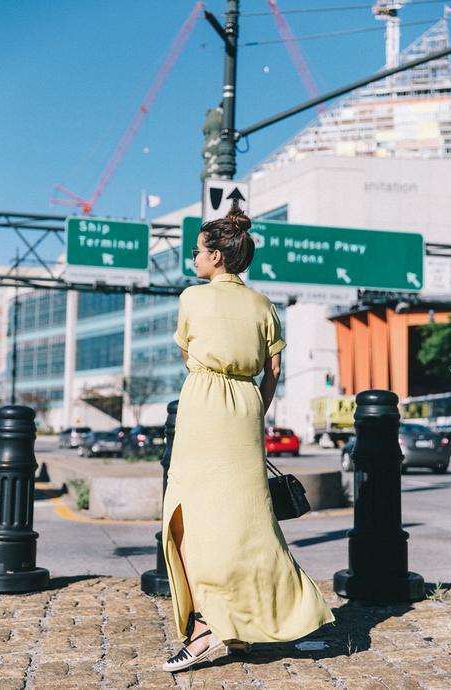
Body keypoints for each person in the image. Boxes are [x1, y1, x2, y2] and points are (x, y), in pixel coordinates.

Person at [162, 206, 335, 673]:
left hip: (203, 405)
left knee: (186, 517)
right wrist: (255, 403)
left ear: (216, 257)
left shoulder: (191, 299)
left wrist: (211, 384)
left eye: (197, 251)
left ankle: (203, 627)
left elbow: (187, 355)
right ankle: (247, 620)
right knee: (248, 521)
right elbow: (274, 369)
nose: (192, 258)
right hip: (246, 408)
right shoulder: (264, 305)